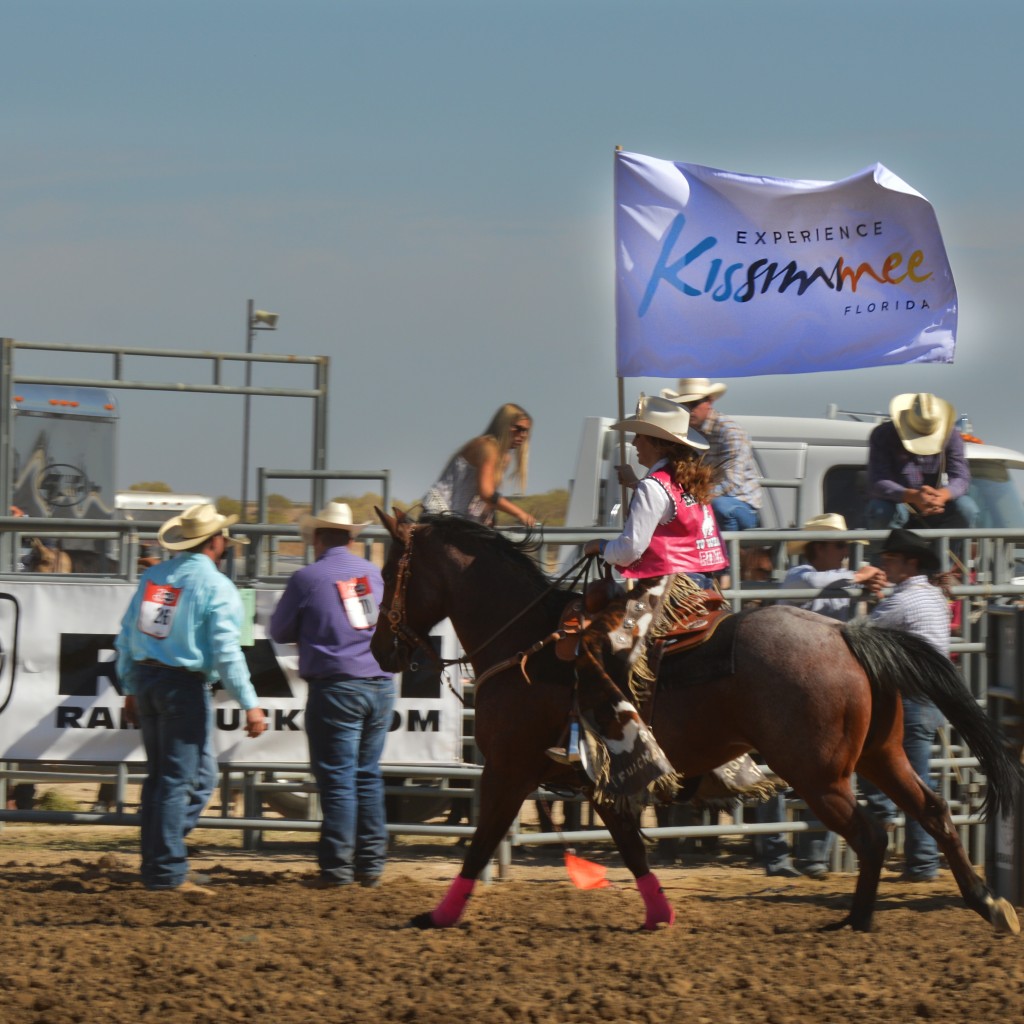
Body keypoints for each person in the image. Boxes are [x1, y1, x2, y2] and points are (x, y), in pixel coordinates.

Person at [553, 394, 727, 807]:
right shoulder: (687, 485)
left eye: (640, 438)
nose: (633, 444)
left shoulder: (654, 486)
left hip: (664, 588)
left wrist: (599, 546)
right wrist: (636, 485)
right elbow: (674, 520)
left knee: (596, 647)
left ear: (658, 444)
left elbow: (631, 550)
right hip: (703, 587)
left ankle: (604, 749)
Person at [116, 504, 267, 894]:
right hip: (182, 686)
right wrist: (249, 702)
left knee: (171, 778)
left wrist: (131, 686)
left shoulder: (155, 577)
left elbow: (128, 635)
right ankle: (166, 869)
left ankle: (161, 859)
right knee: (179, 780)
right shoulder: (216, 587)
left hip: (149, 680)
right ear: (217, 542)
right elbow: (226, 651)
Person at [269, 501, 395, 889]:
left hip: (336, 686)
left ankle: (337, 868)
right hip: (379, 683)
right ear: (351, 537)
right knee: (366, 775)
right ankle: (370, 864)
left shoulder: (308, 579)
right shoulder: (373, 574)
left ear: (318, 537)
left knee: (339, 780)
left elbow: (279, 630)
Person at [756, 513, 887, 879]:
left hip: (819, 692)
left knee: (828, 773)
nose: (846, 553)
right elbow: (814, 583)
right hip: (788, 689)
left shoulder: (838, 580)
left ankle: (809, 857)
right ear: (820, 548)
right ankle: (780, 857)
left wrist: (868, 591)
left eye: (846, 546)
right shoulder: (801, 576)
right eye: (840, 545)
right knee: (778, 778)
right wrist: (861, 578)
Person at [862, 527, 951, 882]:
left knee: (912, 779)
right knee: (917, 777)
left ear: (909, 563)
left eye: (891, 558)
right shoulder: (930, 596)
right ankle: (923, 859)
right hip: (930, 694)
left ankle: (924, 861)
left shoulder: (904, 600)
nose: (885, 563)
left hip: (913, 694)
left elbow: (866, 630)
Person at [866, 392, 979, 533]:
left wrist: (941, 496)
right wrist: (913, 496)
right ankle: (886, 553)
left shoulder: (951, 435)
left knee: (966, 508)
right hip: (899, 503)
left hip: (937, 505)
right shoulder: (883, 435)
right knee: (881, 510)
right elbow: (878, 481)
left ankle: (951, 554)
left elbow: (961, 477)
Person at [661, 377, 762, 532]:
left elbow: (732, 484)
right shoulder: (686, 433)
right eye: (684, 405)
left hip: (742, 504)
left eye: (694, 403)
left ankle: (728, 552)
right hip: (710, 501)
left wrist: (695, 499)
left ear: (710, 401)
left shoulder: (729, 432)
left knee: (720, 506)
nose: (689, 410)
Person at [422, 403, 537, 527]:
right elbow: (487, 493)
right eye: (518, 429)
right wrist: (520, 514)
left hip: (460, 518)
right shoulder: (487, 447)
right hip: (440, 513)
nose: (523, 436)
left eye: (526, 431)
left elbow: (487, 500)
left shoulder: (504, 457)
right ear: (504, 425)